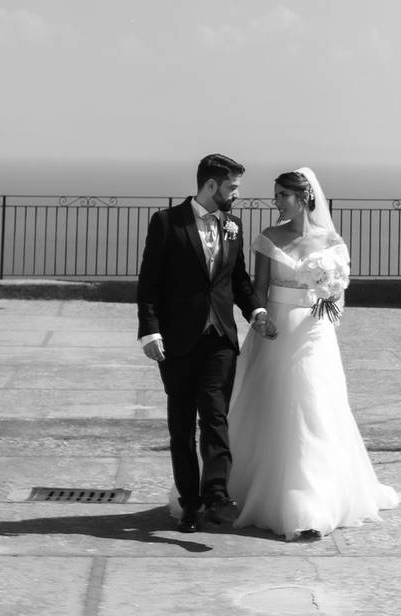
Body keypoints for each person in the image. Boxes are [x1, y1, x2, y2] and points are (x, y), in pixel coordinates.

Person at [227, 166, 398, 540]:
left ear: (303, 198)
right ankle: (261, 489)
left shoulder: (331, 241)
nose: (276, 202)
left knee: (315, 408)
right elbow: (257, 287)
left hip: (314, 332)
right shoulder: (268, 238)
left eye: (282, 195)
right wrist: (259, 319)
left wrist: (328, 296)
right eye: (275, 196)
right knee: (270, 406)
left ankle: (313, 502)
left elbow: (337, 293)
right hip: (275, 327)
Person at [137, 153, 268, 533]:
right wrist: (150, 331)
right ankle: (190, 505)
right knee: (181, 426)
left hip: (220, 339)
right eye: (232, 187)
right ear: (211, 186)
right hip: (176, 340)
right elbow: (149, 283)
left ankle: (216, 495)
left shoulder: (234, 226)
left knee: (215, 416)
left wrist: (255, 312)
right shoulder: (166, 223)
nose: (237, 195)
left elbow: (238, 279)